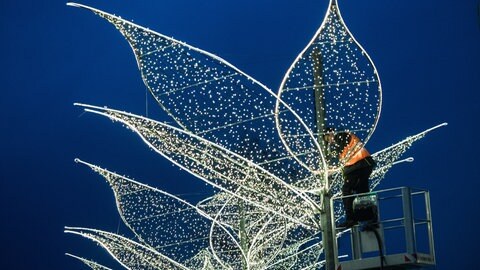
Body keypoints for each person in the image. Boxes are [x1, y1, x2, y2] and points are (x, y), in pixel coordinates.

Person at [323, 127, 376, 228]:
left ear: (330, 134)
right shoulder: (344, 137)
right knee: (361, 190)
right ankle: (367, 217)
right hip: (360, 165)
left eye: (327, 138)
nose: (329, 141)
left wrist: (330, 163)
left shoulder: (340, 136)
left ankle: (352, 219)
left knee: (348, 190)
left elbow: (339, 153)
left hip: (359, 165)